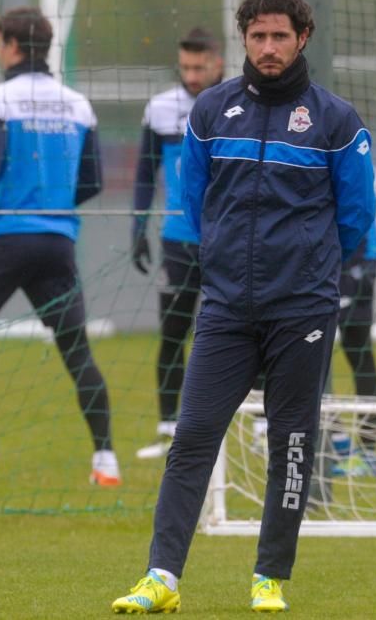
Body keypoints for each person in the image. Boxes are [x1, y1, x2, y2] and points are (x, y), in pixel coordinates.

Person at [112, 0, 376, 614]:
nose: (268, 47)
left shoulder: (336, 120)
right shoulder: (211, 111)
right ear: (244, 39)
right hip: (227, 306)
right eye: (257, 36)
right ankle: (161, 578)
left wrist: (308, 270)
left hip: (303, 309)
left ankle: (268, 579)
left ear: (302, 37)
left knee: (290, 440)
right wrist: (230, 264)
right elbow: (197, 202)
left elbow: (355, 216)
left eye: (279, 35)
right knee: (193, 436)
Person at [0, 6, 122, 485]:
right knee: (77, 352)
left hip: (9, 238)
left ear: (11, 47)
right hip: (57, 243)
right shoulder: (78, 105)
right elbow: (92, 180)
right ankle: (106, 460)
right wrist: (52, 202)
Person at [131, 27, 224, 460]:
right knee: (173, 332)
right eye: (185, 66)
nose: (191, 74)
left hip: (232, 242)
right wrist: (137, 227)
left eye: (199, 67)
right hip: (179, 241)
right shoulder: (160, 109)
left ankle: (259, 423)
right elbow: (145, 173)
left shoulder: (239, 105)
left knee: (250, 332)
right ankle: (169, 427)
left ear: (218, 63)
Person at [330, 223, 376, 478]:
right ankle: (341, 447)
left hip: (355, 264)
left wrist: (370, 260)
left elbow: (362, 207)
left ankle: (368, 453)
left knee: (361, 359)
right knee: (304, 363)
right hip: (314, 261)